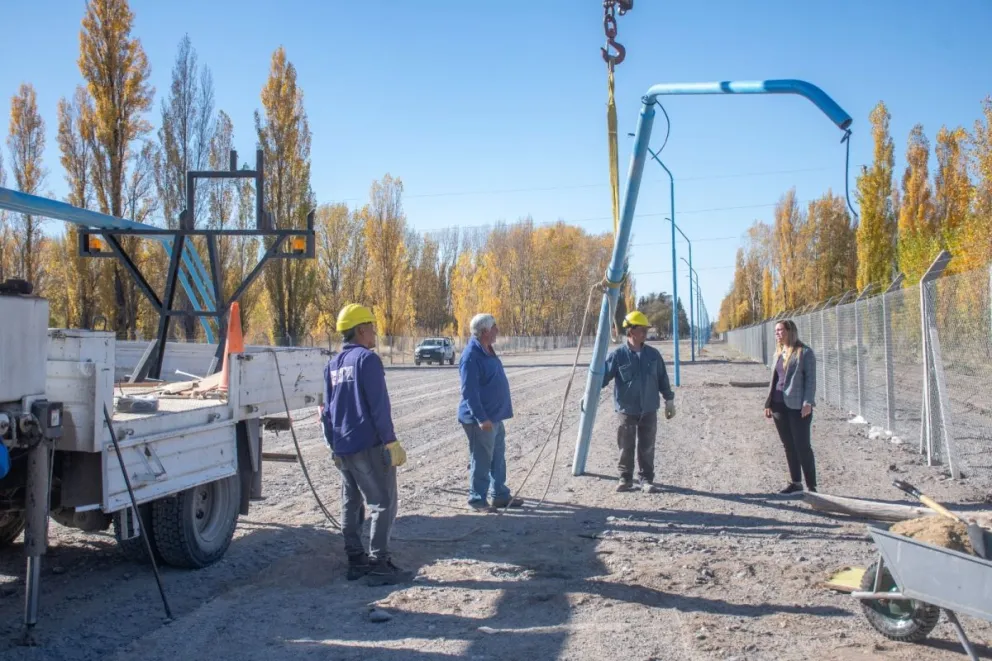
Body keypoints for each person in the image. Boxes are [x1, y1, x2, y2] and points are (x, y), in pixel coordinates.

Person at [321, 303, 412, 585]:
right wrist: (391, 442)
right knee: (383, 502)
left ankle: (356, 559)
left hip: (343, 445)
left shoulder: (332, 365)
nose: (375, 332)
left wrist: (332, 444)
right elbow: (378, 407)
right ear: (361, 330)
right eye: (372, 326)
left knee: (351, 501)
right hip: (369, 445)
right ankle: (380, 562)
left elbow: (326, 410)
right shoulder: (367, 360)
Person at [602, 310, 677, 493]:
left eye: (646, 330)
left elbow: (662, 379)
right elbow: (602, 378)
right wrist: (589, 390)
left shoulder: (653, 355)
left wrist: (669, 400)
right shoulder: (618, 356)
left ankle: (646, 480)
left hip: (649, 408)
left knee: (647, 447)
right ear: (631, 331)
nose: (645, 333)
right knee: (625, 447)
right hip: (626, 410)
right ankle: (625, 479)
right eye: (641, 329)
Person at [457, 313, 523, 511]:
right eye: (494, 327)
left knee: (498, 457)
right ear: (485, 331)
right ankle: (477, 500)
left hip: (495, 417)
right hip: (481, 420)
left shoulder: (488, 349)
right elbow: (469, 391)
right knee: (481, 459)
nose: (497, 330)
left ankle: (500, 495)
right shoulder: (471, 356)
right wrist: (481, 417)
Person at [763, 319, 817, 494]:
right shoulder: (778, 353)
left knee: (802, 446)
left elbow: (810, 381)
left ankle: (811, 486)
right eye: (776, 331)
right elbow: (775, 380)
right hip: (779, 405)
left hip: (798, 406)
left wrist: (808, 402)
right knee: (788, 445)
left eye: (780, 330)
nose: (777, 334)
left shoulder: (805, 352)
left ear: (790, 331)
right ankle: (796, 482)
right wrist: (768, 403)